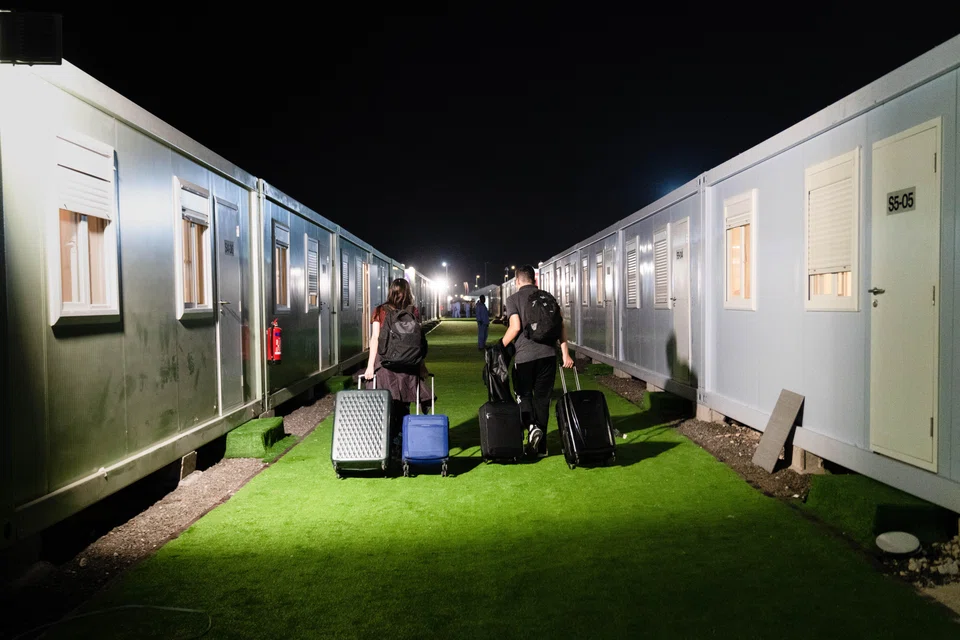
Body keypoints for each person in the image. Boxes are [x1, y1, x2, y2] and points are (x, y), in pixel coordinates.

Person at [500, 265, 574, 457]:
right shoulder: (547, 297)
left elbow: (515, 327)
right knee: (542, 400)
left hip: (525, 357)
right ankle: (541, 448)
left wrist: (500, 346)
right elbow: (561, 325)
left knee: (522, 395)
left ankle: (532, 428)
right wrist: (565, 353)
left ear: (517, 281)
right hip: (549, 356)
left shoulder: (513, 299)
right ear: (535, 280)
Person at [363, 278, 434, 451]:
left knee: (387, 404)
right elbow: (417, 342)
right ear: (408, 292)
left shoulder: (380, 311)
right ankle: (403, 444)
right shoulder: (413, 311)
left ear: (391, 291)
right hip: (408, 367)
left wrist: (370, 366)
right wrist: (421, 366)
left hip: (386, 365)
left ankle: (386, 443)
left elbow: (374, 339)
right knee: (404, 405)